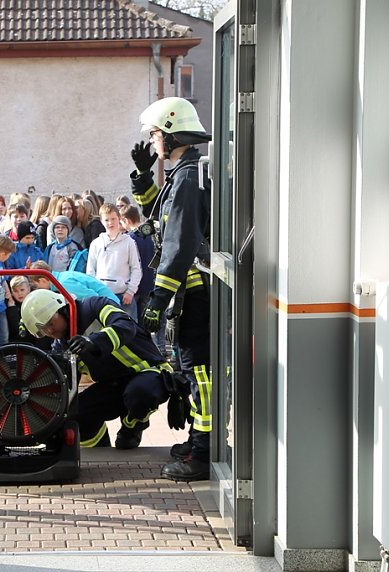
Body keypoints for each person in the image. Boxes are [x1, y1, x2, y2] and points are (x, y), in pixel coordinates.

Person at [131, 96, 212, 482]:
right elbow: (161, 220)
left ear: (170, 131)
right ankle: (200, 441)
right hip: (190, 293)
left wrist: (158, 298)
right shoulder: (186, 171)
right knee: (190, 370)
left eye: (154, 134)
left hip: (191, 294)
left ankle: (202, 451)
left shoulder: (187, 177)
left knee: (199, 374)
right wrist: (144, 181)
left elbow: (177, 245)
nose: (152, 141)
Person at [19, 289, 188, 449]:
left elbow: (125, 326)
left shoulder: (94, 306)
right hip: (113, 385)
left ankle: (132, 428)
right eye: (43, 330)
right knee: (75, 416)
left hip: (148, 372)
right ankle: (100, 450)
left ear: (61, 308)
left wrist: (93, 342)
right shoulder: (61, 345)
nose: (49, 330)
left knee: (140, 393)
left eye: (50, 322)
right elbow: (66, 388)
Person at [86, 203, 142, 320]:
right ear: (101, 221)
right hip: (102, 296)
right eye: (106, 220)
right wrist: (94, 292)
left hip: (123, 297)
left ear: (119, 219)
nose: (110, 223)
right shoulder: (96, 244)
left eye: (113, 219)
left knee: (129, 332)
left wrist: (130, 291)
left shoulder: (129, 242)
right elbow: (90, 271)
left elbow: (136, 268)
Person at [28, 260, 119, 304]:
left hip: (111, 307)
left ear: (42, 280)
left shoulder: (64, 284)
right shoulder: (62, 278)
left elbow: (93, 299)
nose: (38, 288)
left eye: (37, 285)